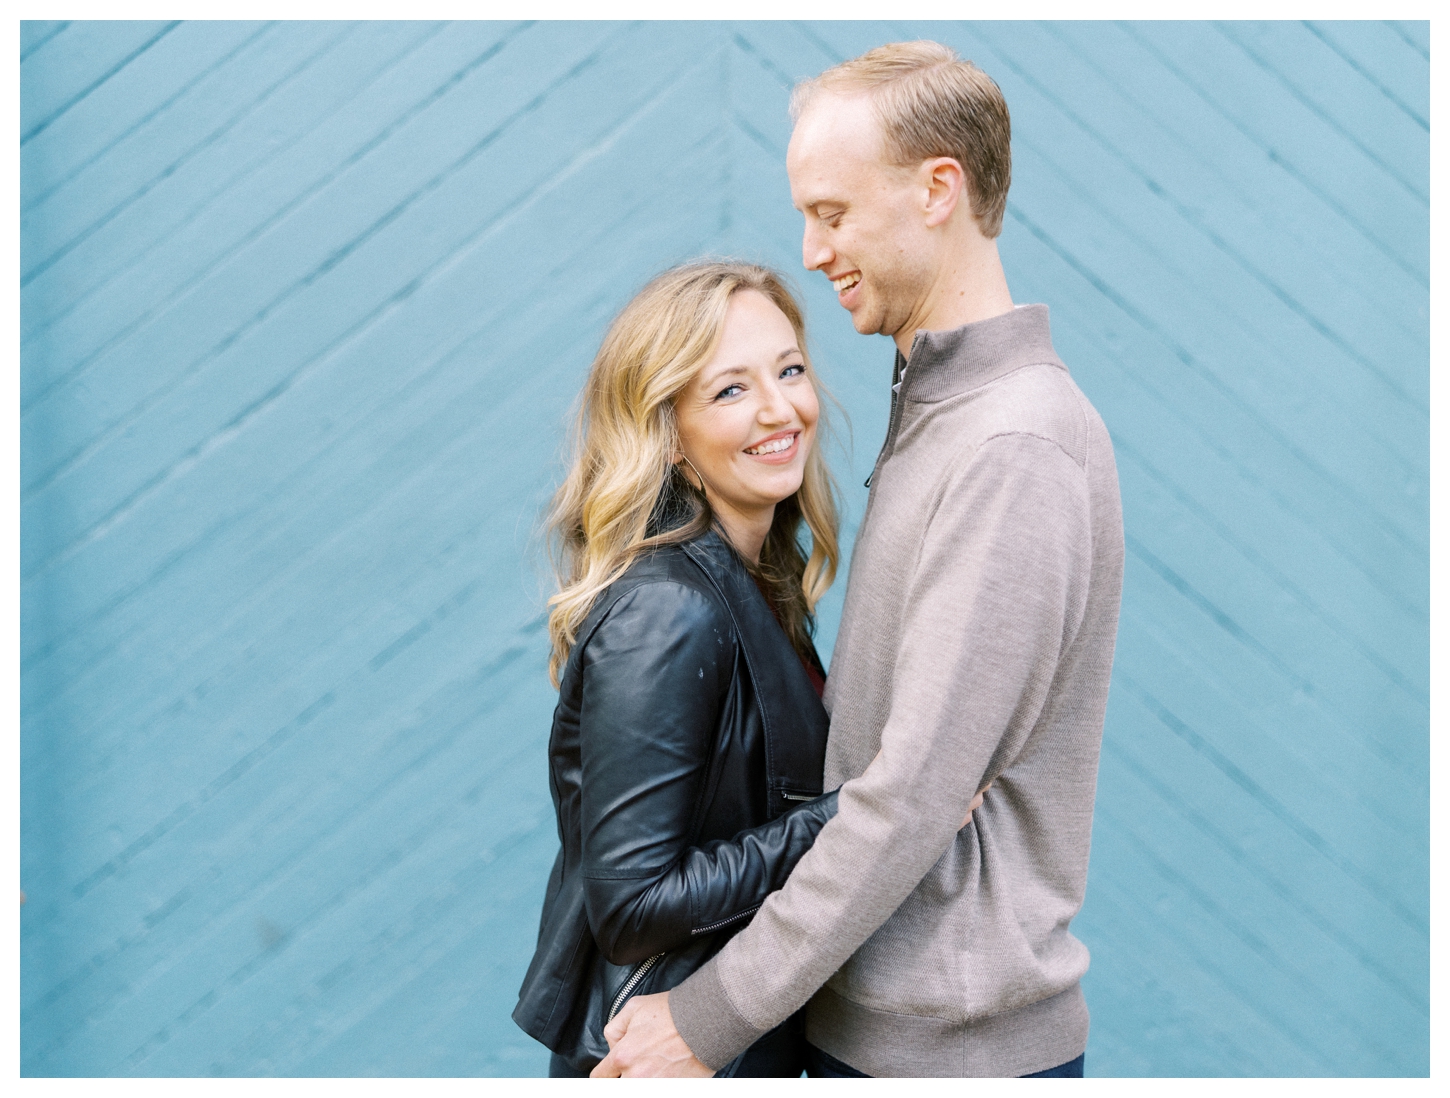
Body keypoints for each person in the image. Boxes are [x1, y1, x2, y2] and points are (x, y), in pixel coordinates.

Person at [592, 41, 1125, 1079]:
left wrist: (706, 1018)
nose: (811, 247)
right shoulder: (939, 411)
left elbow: (912, 795)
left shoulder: (1008, 444)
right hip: (876, 1037)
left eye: (831, 213)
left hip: (944, 1056)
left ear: (937, 190)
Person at [515, 260, 907, 1076]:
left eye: (789, 370)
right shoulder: (671, 609)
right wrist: (865, 811)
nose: (780, 409)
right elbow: (631, 905)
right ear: (667, 432)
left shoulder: (752, 584)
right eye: (729, 390)